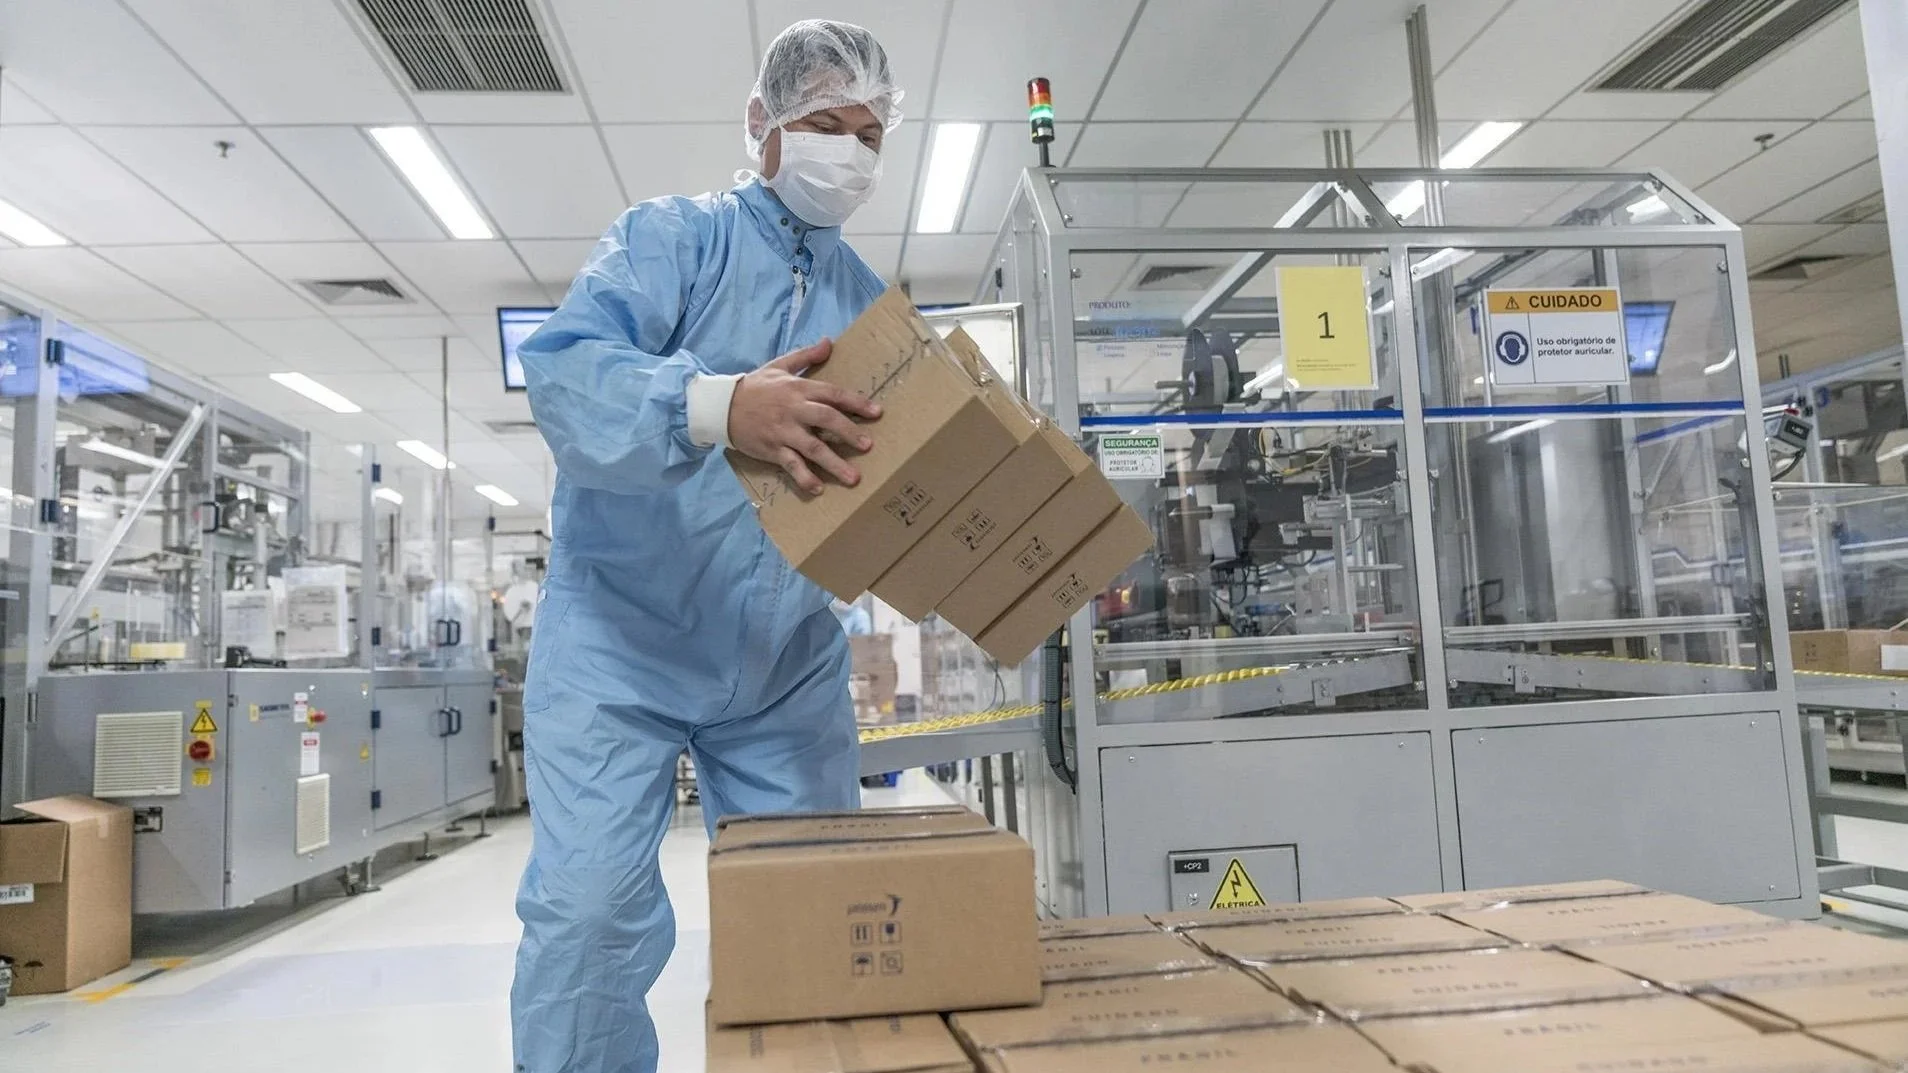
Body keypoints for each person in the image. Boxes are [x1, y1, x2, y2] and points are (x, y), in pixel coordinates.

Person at [507, 21, 902, 1073]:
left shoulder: (868, 303)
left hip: (781, 663)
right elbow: (565, 375)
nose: (849, 152)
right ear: (763, 124)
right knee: (590, 917)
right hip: (619, 649)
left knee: (815, 920)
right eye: (826, 123)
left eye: (869, 132)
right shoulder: (671, 239)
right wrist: (721, 405)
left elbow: (880, 482)